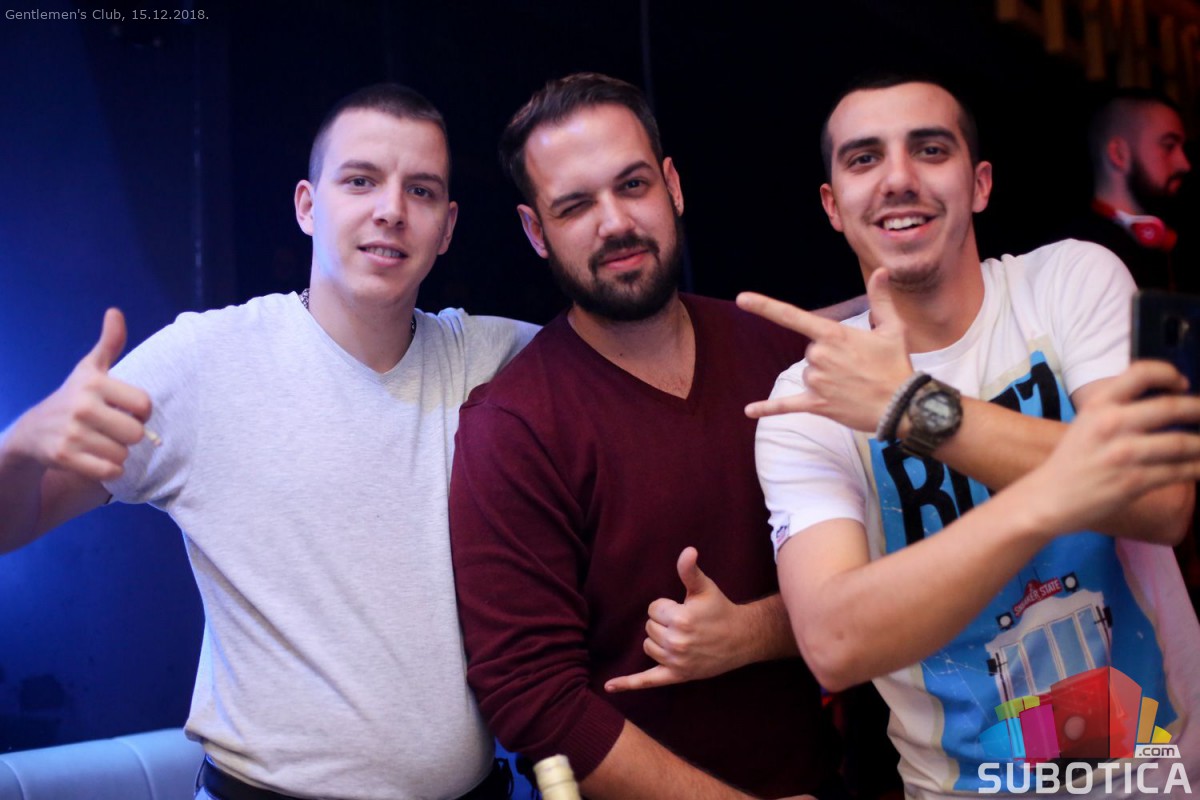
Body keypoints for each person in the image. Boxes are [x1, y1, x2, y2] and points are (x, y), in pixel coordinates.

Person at [0, 84, 536, 800]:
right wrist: (20, 447)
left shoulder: (492, 360)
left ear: (446, 226)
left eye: (421, 190)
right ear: (307, 206)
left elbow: (631, 357)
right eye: (360, 180)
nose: (391, 209)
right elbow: (16, 519)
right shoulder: (208, 361)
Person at [745, 76, 1200, 798]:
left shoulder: (1071, 280)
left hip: (1164, 771)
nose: (899, 178)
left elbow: (1163, 500)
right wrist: (1054, 494)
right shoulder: (807, 401)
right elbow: (835, 644)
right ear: (832, 205)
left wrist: (914, 410)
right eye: (864, 158)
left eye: (930, 150)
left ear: (980, 184)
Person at [449, 72, 865, 800]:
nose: (614, 223)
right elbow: (533, 699)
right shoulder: (512, 429)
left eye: (632, 185)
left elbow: (883, 568)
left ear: (672, 186)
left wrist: (753, 631)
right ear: (535, 231)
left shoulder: (776, 358)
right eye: (575, 205)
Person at [1060, 89, 1191, 291]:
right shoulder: (1075, 254)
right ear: (1119, 154)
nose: (1184, 164)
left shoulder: (1175, 243)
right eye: (1169, 146)